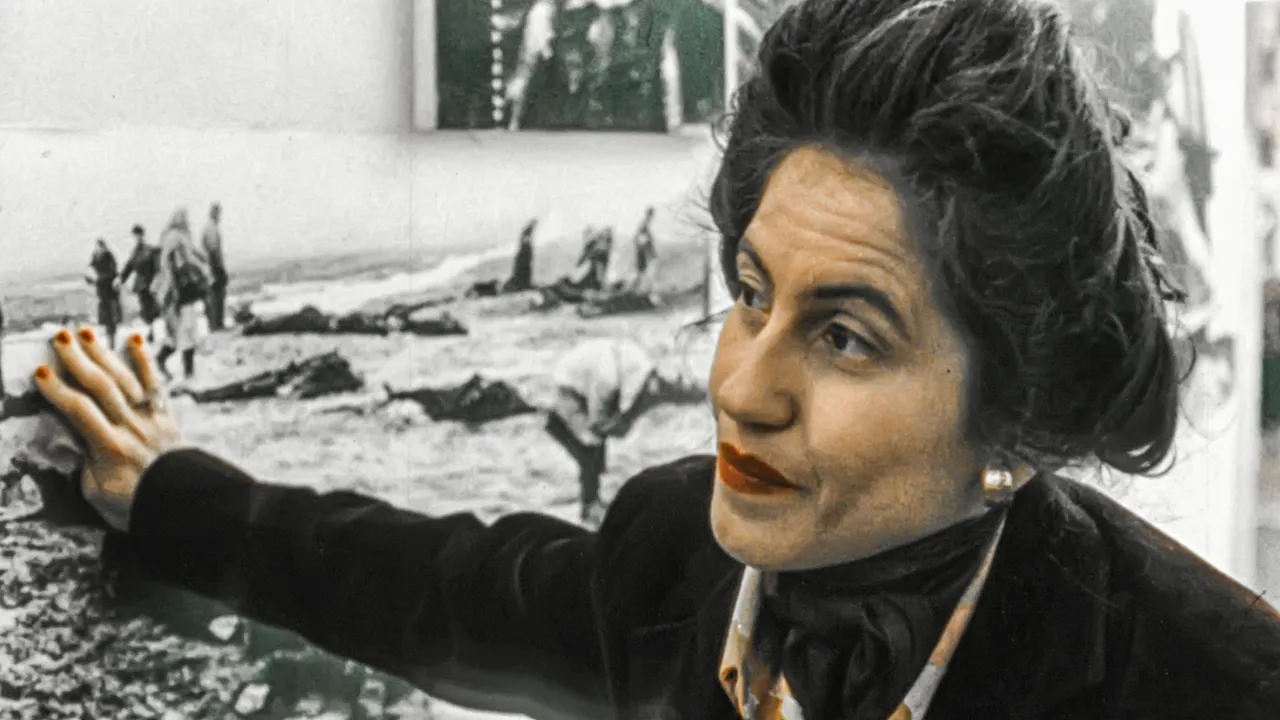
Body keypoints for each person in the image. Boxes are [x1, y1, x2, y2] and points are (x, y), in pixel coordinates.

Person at [29, 1, 1280, 717]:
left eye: (843, 335)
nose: (736, 387)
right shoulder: (671, 552)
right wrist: (167, 489)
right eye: (750, 295)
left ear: (1015, 419)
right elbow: (426, 585)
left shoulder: (1212, 688)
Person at [544, 337, 682, 523]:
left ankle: (593, 499)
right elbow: (598, 423)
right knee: (590, 445)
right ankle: (590, 505)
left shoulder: (637, 366)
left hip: (587, 384)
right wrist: (617, 423)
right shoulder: (607, 381)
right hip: (569, 390)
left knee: (596, 448)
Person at [151, 208, 210, 382]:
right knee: (186, 330)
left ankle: (165, 362)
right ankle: (187, 372)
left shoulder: (175, 236)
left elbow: (189, 256)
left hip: (177, 290)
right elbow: (175, 262)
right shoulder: (176, 237)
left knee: (179, 333)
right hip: (180, 290)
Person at [118, 225, 161, 343]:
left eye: (139, 235)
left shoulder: (150, 250)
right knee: (146, 309)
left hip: (151, 283)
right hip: (141, 285)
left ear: (143, 235)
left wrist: (156, 279)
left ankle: (154, 331)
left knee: (152, 308)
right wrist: (121, 279)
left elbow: (157, 267)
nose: (137, 238)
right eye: (135, 236)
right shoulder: (135, 252)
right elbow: (129, 266)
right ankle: (152, 331)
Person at [84, 238, 122, 349]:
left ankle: (112, 343)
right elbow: (90, 270)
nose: (99, 249)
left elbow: (111, 272)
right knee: (106, 318)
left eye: (100, 247)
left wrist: (98, 279)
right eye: (97, 247)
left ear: (104, 247)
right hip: (102, 292)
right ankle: (110, 342)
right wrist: (90, 279)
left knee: (111, 318)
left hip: (110, 292)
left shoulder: (109, 257)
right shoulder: (95, 257)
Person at [201, 203, 229, 332]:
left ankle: (215, 324)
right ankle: (217, 324)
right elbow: (213, 249)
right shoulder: (211, 227)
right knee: (217, 295)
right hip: (213, 265)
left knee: (215, 295)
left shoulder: (210, 227)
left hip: (210, 265)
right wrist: (219, 267)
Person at [502, 219, 537, 293]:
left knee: (524, 264)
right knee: (523, 265)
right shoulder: (525, 249)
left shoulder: (526, 248)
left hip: (521, 278)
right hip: (520, 279)